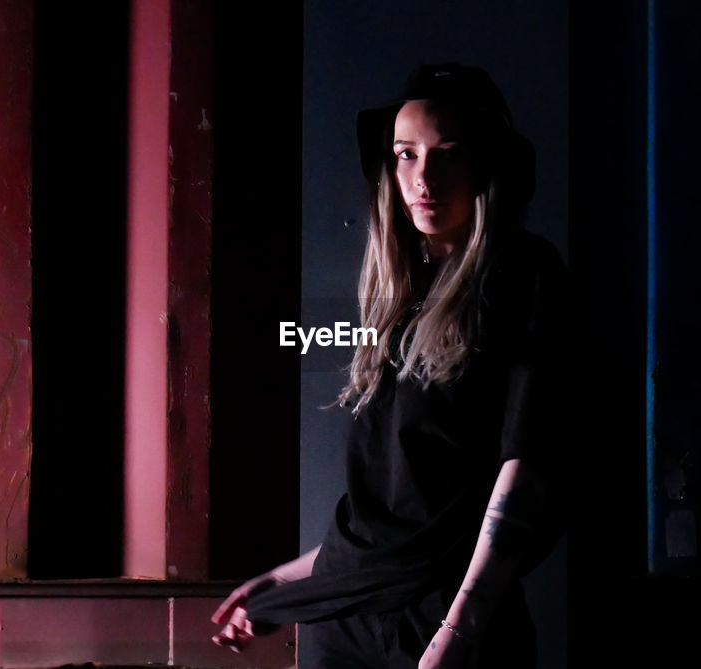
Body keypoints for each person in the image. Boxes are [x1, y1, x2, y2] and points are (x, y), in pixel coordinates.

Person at [212, 62, 570, 669]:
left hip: (443, 620)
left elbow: (525, 467)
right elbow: (396, 509)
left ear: (487, 166)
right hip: (344, 622)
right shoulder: (398, 296)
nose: (422, 177)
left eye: (448, 154)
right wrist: (287, 579)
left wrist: (463, 627)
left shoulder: (525, 277)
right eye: (406, 154)